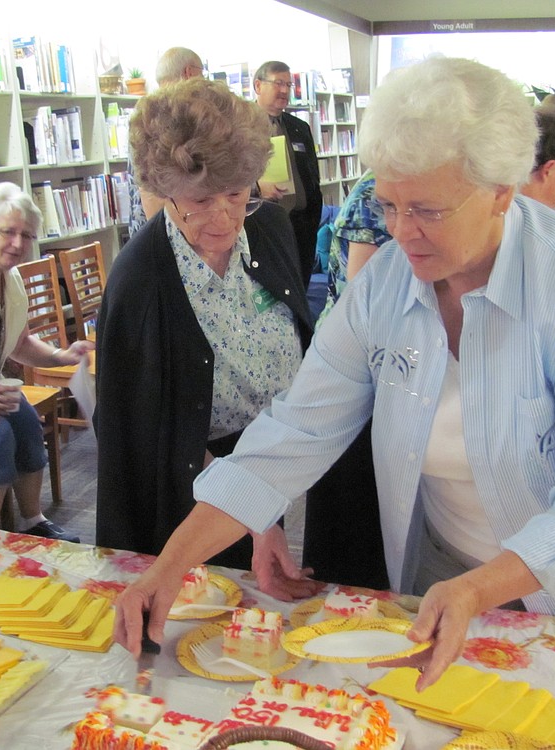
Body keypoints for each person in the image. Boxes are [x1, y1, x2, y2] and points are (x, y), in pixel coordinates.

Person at [112, 57, 555, 689]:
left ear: (500, 191)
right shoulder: (385, 286)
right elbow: (294, 433)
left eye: (428, 210)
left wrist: (478, 589)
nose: (402, 233)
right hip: (457, 562)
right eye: (387, 205)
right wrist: (172, 565)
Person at [94, 77, 313, 571]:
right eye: (200, 200)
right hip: (200, 494)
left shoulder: (271, 229)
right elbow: (136, 433)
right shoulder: (139, 278)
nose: (224, 219)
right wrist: (250, 507)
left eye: (236, 194)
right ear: (166, 190)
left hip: (289, 471)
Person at [0, 183, 94, 539]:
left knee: (26, 424)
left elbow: (20, 343)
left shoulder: (12, 281)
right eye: (8, 232)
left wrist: (61, 355)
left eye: (27, 235)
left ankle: (33, 522)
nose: (18, 243)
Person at [303, 168, 392, 589]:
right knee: (349, 498)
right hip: (356, 364)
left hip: (386, 365)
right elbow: (363, 293)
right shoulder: (373, 193)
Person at [253, 60, 322, 282]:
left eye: (288, 85)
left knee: (301, 284)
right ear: (258, 86)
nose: (284, 90)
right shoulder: (240, 127)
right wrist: (256, 188)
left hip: (301, 225)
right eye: (278, 83)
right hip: (263, 223)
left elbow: (312, 175)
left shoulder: (300, 128)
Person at [127, 46, 204, 236]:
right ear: (189, 72)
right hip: (164, 231)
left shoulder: (145, 110)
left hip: (148, 230)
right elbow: (151, 190)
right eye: (202, 74)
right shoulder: (167, 112)